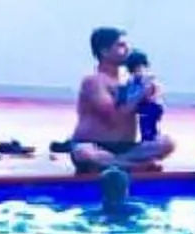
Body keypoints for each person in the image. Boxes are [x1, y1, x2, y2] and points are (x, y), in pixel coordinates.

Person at [61, 26, 174, 212]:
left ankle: (118, 164)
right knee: (84, 153)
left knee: (167, 143)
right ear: (104, 51)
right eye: (120, 46)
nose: (127, 50)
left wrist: (153, 95)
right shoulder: (94, 82)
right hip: (94, 144)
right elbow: (112, 117)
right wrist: (140, 94)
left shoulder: (129, 82)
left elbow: (150, 113)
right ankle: (133, 166)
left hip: (126, 148)